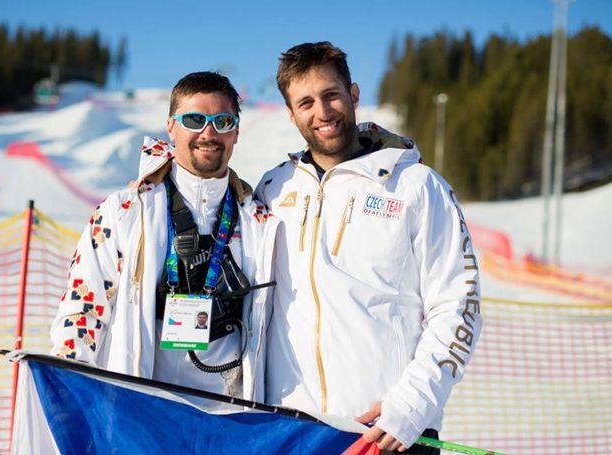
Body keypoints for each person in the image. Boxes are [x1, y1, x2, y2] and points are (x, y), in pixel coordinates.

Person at [256, 42, 482, 453]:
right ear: (291, 114)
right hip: (292, 432)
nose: (322, 112)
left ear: (354, 94)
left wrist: (410, 408)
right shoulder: (273, 189)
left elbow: (459, 305)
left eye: (331, 95)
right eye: (305, 102)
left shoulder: (418, 186)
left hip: (387, 433)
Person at [51, 71, 280, 402]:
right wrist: (69, 393)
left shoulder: (260, 221)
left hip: (226, 417)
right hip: (143, 405)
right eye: (194, 119)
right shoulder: (124, 211)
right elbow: (83, 307)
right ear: (171, 126)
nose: (208, 132)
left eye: (223, 122)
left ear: (237, 132)